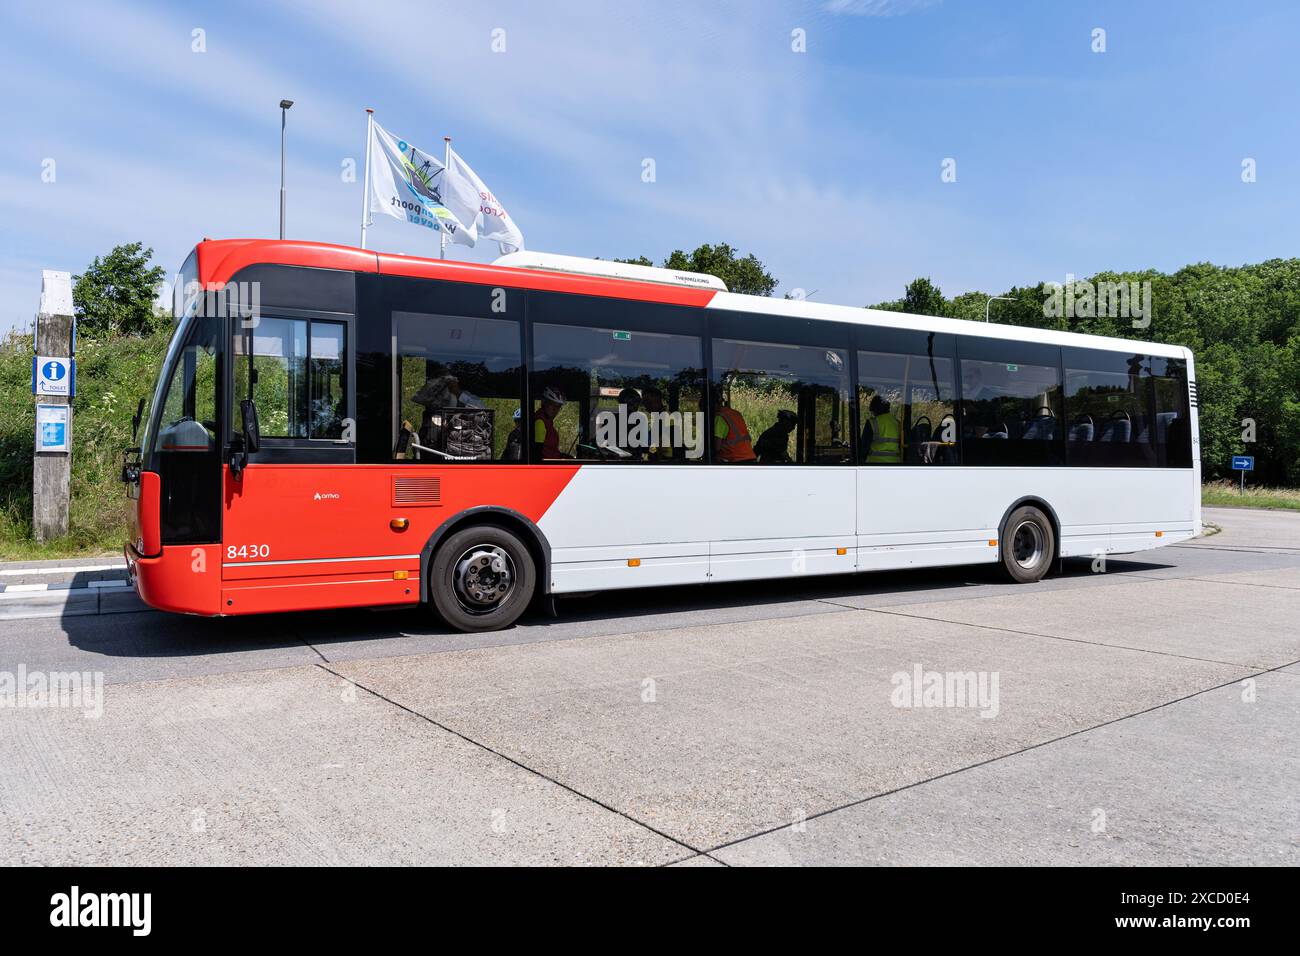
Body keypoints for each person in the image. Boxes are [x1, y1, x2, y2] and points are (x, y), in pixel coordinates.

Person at [712, 394, 756, 463]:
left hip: (735, 459)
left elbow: (717, 447)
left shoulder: (720, 417)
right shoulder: (736, 413)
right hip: (749, 457)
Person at [861, 393, 902, 464]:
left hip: (875, 464)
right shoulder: (897, 423)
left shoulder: (872, 423)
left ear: (874, 409)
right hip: (895, 464)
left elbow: (863, 448)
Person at [532, 386, 569, 460]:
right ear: (544, 403)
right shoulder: (540, 422)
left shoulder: (547, 421)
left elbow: (549, 450)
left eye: (558, 406)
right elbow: (537, 454)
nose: (555, 409)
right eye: (552, 404)